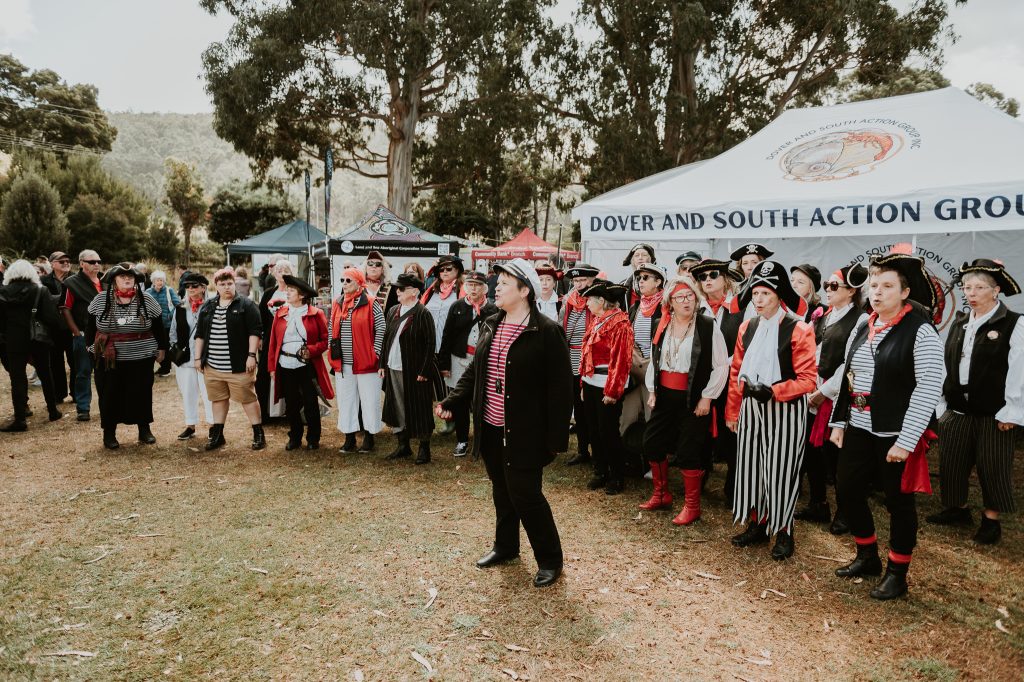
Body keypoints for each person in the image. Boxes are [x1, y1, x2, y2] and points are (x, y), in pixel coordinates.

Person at [435, 258, 573, 588]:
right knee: (501, 489)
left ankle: (550, 559)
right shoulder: (491, 323)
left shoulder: (547, 331)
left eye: (505, 284)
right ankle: (506, 547)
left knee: (526, 494)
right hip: (491, 426)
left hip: (526, 431)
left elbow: (561, 389)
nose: (497, 288)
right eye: (498, 283)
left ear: (525, 290)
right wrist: (453, 400)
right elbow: (475, 371)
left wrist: (555, 439)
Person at [828, 247, 944, 600]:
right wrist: (839, 421)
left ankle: (897, 572)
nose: (877, 292)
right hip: (859, 425)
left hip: (895, 430)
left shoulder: (921, 332)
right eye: (874, 285)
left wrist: (906, 441)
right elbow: (848, 374)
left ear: (905, 292)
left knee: (898, 502)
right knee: (847, 489)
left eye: (887, 286)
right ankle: (867, 555)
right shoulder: (865, 323)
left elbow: (928, 387)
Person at [726, 260, 817, 561]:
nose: (759, 300)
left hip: (785, 410)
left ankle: (784, 531)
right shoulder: (747, 327)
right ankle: (758, 523)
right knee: (751, 466)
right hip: (752, 407)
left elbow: (807, 380)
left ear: (779, 295)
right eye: (755, 294)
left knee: (780, 470)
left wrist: (775, 391)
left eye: (766, 293)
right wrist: (733, 411)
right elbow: (736, 371)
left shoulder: (799, 329)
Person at [928, 259, 1023, 545]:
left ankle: (991, 519)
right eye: (968, 287)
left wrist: (1012, 409)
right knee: (952, 462)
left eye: (979, 287)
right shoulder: (959, 322)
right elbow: (946, 363)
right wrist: (942, 403)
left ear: (995, 291)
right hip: (958, 407)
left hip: (994, 411)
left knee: (992, 465)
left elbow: (1019, 369)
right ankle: (958, 509)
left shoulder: (1013, 323)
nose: (971, 292)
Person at [640, 275, 729, 523]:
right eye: (680, 297)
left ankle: (693, 506)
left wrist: (707, 398)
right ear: (670, 302)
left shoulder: (707, 325)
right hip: (665, 396)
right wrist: (653, 391)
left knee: (689, 451)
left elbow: (721, 366)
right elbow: (655, 361)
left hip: (693, 397)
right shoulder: (662, 324)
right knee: (652, 443)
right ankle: (661, 494)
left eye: (690, 296)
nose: (686, 301)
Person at [798, 264, 868, 535]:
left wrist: (824, 392)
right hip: (813, 391)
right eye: (827, 284)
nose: (827, 289)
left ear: (851, 292)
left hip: (837, 397)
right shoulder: (824, 316)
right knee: (812, 454)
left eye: (834, 286)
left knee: (839, 459)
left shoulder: (860, 320)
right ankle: (818, 503)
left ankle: (846, 511)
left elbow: (850, 362)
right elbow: (812, 353)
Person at [86, 263, 168, 449]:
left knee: (141, 393)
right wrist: (90, 347)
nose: (127, 279)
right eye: (122, 276)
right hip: (109, 359)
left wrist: (162, 349)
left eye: (130, 276)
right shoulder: (100, 299)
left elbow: (158, 327)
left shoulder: (147, 300)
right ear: (114, 280)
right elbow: (90, 326)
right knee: (109, 395)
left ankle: (144, 430)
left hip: (141, 357)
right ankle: (109, 434)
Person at [194, 266, 266, 451]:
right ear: (215, 286)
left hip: (239, 366)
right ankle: (218, 435)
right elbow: (200, 334)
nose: (227, 287)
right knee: (218, 399)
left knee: (248, 399)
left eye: (229, 283)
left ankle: (258, 434)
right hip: (213, 365)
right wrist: (197, 359)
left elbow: (255, 331)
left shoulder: (246, 305)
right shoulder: (208, 306)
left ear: (235, 284)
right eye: (222, 284)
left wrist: (251, 355)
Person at [690, 259, 745, 499]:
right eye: (702, 277)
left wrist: (727, 364)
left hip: (732, 379)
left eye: (713, 275)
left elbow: (748, 344)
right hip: (703, 381)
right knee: (699, 432)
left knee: (731, 433)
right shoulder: (696, 308)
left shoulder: (740, 307)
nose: (708, 280)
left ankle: (733, 485)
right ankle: (699, 477)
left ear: (725, 278)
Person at [380, 272, 447, 464]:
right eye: (397, 288)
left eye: (401, 289)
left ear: (414, 291)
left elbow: (430, 344)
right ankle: (403, 445)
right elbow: (386, 339)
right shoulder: (393, 310)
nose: (397, 291)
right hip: (393, 367)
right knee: (397, 405)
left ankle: (424, 448)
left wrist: (425, 370)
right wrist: (382, 364)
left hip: (415, 370)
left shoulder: (422, 313)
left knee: (420, 408)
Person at [579, 279, 634, 495]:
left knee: (608, 431)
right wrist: (583, 382)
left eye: (590, 300)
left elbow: (621, 361)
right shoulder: (598, 320)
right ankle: (600, 470)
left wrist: (612, 391)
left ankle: (616, 475)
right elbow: (586, 354)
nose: (587, 305)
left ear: (602, 300)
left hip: (607, 384)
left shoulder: (620, 324)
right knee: (594, 428)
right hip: (591, 382)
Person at [268, 274, 334, 450]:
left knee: (310, 402)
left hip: (306, 364)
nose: (287, 293)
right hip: (285, 364)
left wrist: (310, 351)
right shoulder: (281, 314)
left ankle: (313, 438)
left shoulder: (316, 314)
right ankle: (295, 437)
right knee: (291, 403)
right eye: (287, 290)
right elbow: (273, 342)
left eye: (291, 291)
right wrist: (272, 367)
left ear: (302, 295)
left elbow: (325, 339)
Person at [438, 271, 497, 455]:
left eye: (477, 285)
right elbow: (447, 335)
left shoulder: (493, 309)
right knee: (460, 402)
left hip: (482, 361)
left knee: (483, 401)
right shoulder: (457, 306)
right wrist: (444, 363)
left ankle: (484, 439)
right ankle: (462, 440)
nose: (473, 288)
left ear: (485, 288)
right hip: (459, 359)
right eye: (470, 284)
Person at [0, 260, 63, 430]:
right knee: (45, 373)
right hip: (38, 338)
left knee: (17, 378)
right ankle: (52, 411)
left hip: (13, 340)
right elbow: (51, 318)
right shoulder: (40, 290)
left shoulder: (2, 292)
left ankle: (20, 419)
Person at [329, 267, 386, 453]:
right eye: (342, 280)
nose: (344, 284)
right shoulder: (338, 303)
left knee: (369, 400)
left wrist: (375, 353)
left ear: (359, 282)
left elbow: (381, 329)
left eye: (348, 281)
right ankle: (349, 437)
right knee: (346, 401)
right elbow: (331, 328)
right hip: (343, 363)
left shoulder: (370, 302)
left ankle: (369, 437)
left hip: (366, 362)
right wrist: (333, 348)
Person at [561, 263, 599, 466]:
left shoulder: (599, 299)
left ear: (592, 279)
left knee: (592, 409)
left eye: (583, 280)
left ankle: (598, 451)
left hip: (591, 361)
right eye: (575, 281)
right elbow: (561, 328)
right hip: (571, 359)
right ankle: (583, 450)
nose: (579, 284)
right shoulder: (568, 300)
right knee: (579, 407)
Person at [621, 263, 666, 433]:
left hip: (654, 372)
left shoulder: (666, 307)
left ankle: (655, 459)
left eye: (646, 277)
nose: (640, 281)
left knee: (652, 419)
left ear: (658, 281)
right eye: (639, 278)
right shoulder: (636, 307)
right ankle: (629, 457)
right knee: (626, 420)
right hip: (634, 373)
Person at [61, 250, 105, 422]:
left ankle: (106, 405)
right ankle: (83, 408)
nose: (96, 264)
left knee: (104, 371)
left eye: (98, 261)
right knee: (83, 372)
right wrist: (76, 332)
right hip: (83, 334)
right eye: (92, 261)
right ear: (81, 263)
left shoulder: (106, 282)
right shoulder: (71, 283)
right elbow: (65, 308)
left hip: (104, 335)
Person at [170, 273, 214, 440]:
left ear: (203, 287)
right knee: (188, 392)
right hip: (185, 358)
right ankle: (190, 425)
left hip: (207, 357)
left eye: (194, 286)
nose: (190, 289)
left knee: (209, 393)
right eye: (187, 287)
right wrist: (175, 348)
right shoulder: (180, 307)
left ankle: (213, 425)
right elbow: (173, 331)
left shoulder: (212, 306)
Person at [256, 257, 291, 419]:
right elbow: (261, 316)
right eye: (279, 271)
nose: (283, 274)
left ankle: (289, 410)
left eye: (286, 271)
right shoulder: (269, 293)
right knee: (265, 372)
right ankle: (266, 411)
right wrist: (261, 336)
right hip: (270, 337)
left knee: (288, 372)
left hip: (290, 338)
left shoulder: (296, 292)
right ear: (274, 273)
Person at [41, 251, 74, 403]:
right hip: (53, 329)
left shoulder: (75, 279)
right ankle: (59, 394)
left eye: (67, 261)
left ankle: (76, 393)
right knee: (55, 363)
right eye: (62, 261)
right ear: (52, 264)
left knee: (76, 362)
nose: (66, 263)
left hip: (73, 328)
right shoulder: (43, 281)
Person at [147, 270, 181, 377]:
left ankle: (166, 368)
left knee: (165, 346)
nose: (160, 282)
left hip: (166, 325)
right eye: (158, 280)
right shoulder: (148, 292)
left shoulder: (168, 290)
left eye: (162, 280)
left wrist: (170, 315)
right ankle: (152, 368)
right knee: (153, 346)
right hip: (152, 325)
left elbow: (177, 304)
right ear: (153, 281)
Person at [730, 243, 774, 322]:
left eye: (754, 262)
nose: (750, 267)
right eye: (745, 263)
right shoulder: (735, 289)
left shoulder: (773, 287)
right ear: (741, 266)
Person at [620, 243, 656, 309]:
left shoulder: (661, 283)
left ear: (651, 259)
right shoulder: (623, 286)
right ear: (632, 260)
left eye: (644, 255)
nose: (640, 258)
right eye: (636, 255)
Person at [362, 250, 398, 315]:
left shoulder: (392, 289)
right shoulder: (357, 286)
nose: (374, 266)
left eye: (378, 264)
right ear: (365, 267)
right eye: (370, 263)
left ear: (382, 269)